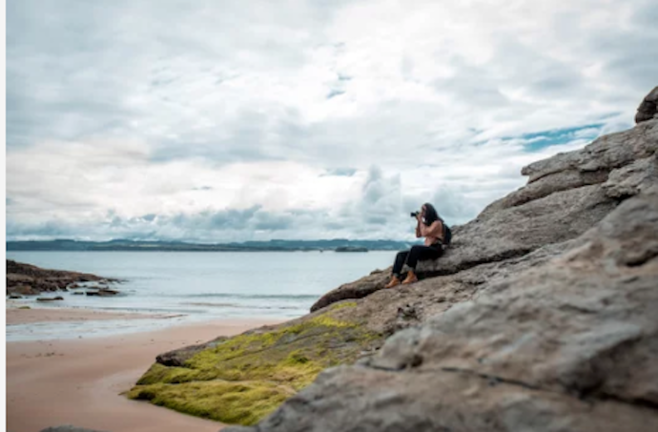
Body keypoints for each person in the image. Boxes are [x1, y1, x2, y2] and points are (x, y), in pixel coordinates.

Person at [384, 203, 445, 288]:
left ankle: (411, 274)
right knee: (401, 255)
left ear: (429, 211)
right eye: (421, 210)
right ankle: (395, 278)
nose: (422, 212)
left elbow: (425, 232)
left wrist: (420, 221)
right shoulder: (426, 223)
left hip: (435, 249)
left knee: (415, 248)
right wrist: (418, 222)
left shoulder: (437, 223)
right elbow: (418, 235)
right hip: (427, 248)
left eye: (423, 210)